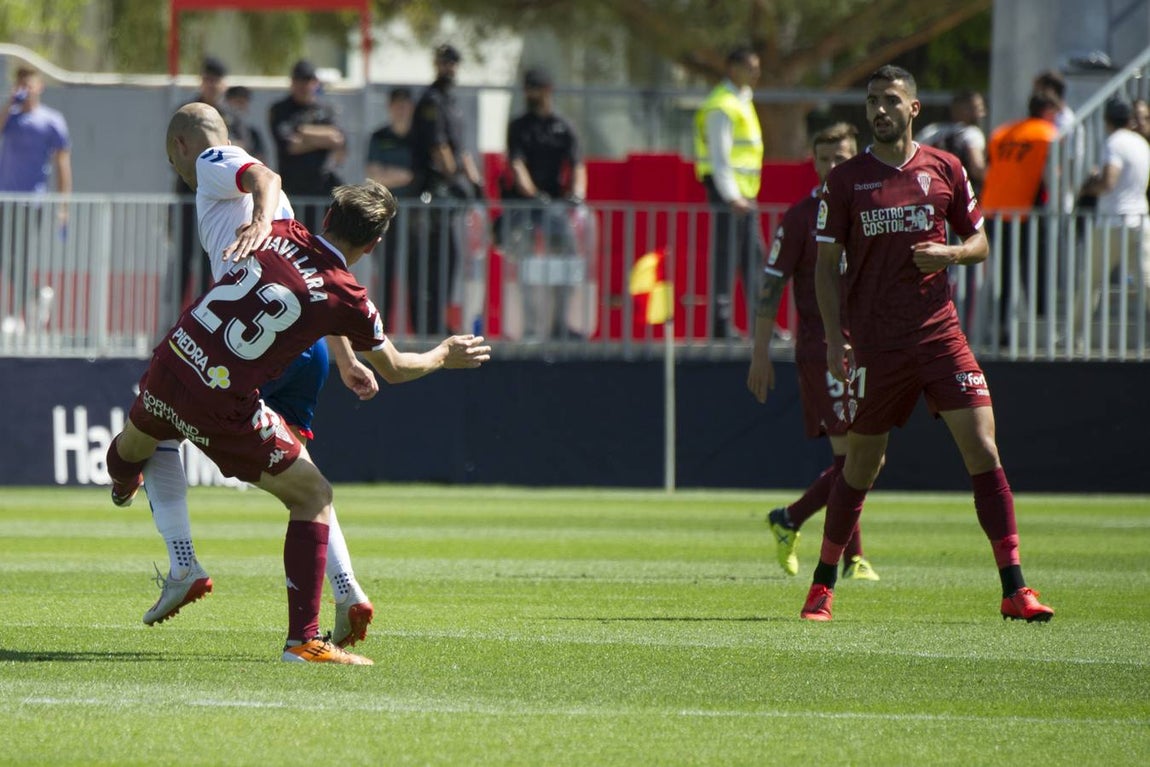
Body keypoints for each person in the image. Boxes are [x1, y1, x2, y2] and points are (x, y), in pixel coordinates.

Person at [105, 180, 491, 664]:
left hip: (174, 360)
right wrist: (443, 354)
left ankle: (123, 482)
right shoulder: (346, 294)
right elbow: (394, 368)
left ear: (327, 218)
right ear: (372, 245)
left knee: (137, 442)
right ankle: (304, 641)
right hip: (221, 400)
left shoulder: (281, 231)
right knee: (314, 495)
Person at [804, 64, 1053, 623]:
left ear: (913, 108)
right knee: (862, 466)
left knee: (984, 449)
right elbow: (825, 268)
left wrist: (952, 254)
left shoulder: (946, 168)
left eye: (890, 100)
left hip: (941, 334)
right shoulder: (846, 181)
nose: (879, 110)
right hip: (877, 344)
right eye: (872, 101)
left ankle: (1016, 589)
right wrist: (832, 338)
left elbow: (980, 240)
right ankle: (822, 584)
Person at [142, 103, 381, 650]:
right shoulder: (287, 212)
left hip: (246, 347)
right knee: (305, 481)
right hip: (306, 350)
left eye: (171, 157)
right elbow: (314, 286)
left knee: (156, 423)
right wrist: (345, 360)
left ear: (182, 145)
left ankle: (183, 563)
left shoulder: (211, 159)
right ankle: (346, 589)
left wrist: (257, 218)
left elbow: (264, 176)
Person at [746, 122, 878, 581]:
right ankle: (852, 556)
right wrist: (760, 352)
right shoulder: (801, 216)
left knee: (868, 455)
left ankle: (791, 520)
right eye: (824, 159)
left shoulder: (868, 211)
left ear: (855, 158)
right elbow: (772, 284)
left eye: (840, 158)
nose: (831, 167)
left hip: (866, 346)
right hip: (822, 347)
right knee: (851, 457)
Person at [501, 66, 589, 339]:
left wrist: (577, 194)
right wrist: (531, 193)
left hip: (557, 209)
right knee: (526, 269)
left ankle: (560, 324)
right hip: (526, 208)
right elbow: (517, 165)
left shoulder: (563, 127)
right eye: (528, 88)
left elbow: (577, 165)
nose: (530, 94)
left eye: (535, 88)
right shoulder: (519, 126)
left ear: (547, 90)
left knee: (568, 263)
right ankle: (530, 328)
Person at [408, 43, 483, 335]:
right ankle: (426, 325)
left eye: (453, 63)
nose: (449, 68)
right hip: (430, 192)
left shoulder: (452, 101)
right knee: (428, 264)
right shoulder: (431, 100)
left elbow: (460, 149)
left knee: (446, 263)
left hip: (448, 194)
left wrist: (475, 184)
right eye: (444, 62)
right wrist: (456, 180)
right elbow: (440, 148)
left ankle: (437, 322)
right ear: (436, 64)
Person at [694, 46, 765, 339]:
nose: (756, 72)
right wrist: (732, 195)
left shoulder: (740, 100)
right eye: (751, 66)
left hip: (743, 196)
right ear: (733, 68)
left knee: (753, 259)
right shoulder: (722, 105)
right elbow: (720, 157)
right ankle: (722, 326)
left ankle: (761, 326)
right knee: (730, 259)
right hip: (731, 196)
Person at [980, 91, 1060, 337]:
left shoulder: (1002, 132)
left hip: (993, 207)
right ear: (1048, 112)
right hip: (1025, 211)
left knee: (1004, 273)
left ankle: (1003, 328)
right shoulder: (1047, 134)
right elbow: (1054, 173)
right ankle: (1041, 326)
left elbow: (990, 165)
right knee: (1036, 270)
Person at [0, 66, 71, 333]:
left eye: (29, 85)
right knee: (6, 257)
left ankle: (16, 315)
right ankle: (35, 296)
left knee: (20, 257)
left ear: (40, 86)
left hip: (32, 202)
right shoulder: (11, 118)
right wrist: (10, 103)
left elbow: (63, 165)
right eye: (21, 85)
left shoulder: (51, 121)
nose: (25, 90)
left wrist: (64, 207)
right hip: (4, 200)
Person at [1077, 98, 1150, 331]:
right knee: (1146, 281)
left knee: (1090, 282)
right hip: (1140, 218)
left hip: (1113, 222)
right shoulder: (1141, 143)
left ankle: (1073, 336)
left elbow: (1109, 181)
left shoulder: (1114, 142)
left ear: (1107, 119)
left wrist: (1087, 188)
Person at [173, 56, 231, 309]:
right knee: (185, 258)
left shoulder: (230, 116)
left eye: (215, 80)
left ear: (223, 84)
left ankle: (210, 315)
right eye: (207, 79)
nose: (211, 85)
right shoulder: (187, 113)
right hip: (190, 196)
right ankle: (179, 318)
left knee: (214, 258)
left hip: (220, 201)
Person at [269, 59, 346, 229]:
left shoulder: (325, 109)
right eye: (300, 81)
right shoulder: (281, 109)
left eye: (309, 81)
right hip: (293, 192)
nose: (304, 86)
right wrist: (323, 140)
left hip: (322, 190)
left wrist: (303, 131)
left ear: (316, 83)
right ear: (292, 82)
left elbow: (337, 139)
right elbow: (290, 145)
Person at [366, 86, 417, 328]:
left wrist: (391, 175)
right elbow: (374, 174)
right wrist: (403, 176)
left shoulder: (419, 138)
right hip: (386, 213)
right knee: (385, 269)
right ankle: (382, 327)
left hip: (416, 216)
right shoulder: (379, 136)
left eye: (405, 104)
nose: (401, 109)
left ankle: (418, 328)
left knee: (416, 269)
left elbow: (418, 175)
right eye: (396, 103)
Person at [915, 90, 987, 196]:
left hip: (929, 192)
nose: (982, 113)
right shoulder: (971, 133)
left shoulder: (931, 131)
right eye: (977, 108)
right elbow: (977, 169)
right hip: (960, 196)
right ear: (959, 109)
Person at [223, 85, 267, 161]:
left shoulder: (252, 132)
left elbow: (261, 159)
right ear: (227, 103)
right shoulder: (221, 128)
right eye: (237, 102)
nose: (240, 107)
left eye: (243, 103)